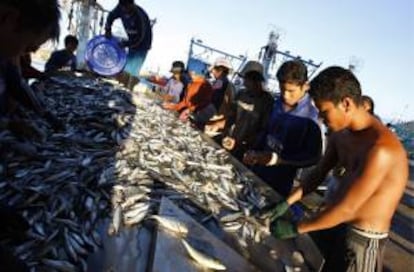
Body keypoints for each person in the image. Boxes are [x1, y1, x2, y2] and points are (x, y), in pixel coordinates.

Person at [264, 66, 408, 272]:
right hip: (328, 220)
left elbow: (349, 209)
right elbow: (318, 173)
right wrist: (287, 202)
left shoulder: (381, 149)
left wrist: (296, 227)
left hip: (360, 240)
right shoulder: (340, 134)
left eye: (324, 111)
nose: (321, 119)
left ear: (346, 103)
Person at [243, 60, 322, 197]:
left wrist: (279, 160)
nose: (285, 95)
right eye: (282, 89)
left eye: (291, 91)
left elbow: (313, 157)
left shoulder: (312, 117)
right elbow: (266, 131)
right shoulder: (277, 103)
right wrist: (253, 151)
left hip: (278, 185)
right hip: (255, 173)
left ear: (305, 86)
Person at [221, 61, 274, 160]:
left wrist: (241, 143)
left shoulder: (267, 101)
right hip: (231, 142)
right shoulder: (241, 94)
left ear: (256, 80)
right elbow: (231, 117)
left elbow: (263, 130)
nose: (244, 83)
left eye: (246, 79)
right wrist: (224, 131)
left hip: (248, 151)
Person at [105, 0, 153, 89]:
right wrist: (108, 29)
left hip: (143, 43)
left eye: (127, 8)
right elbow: (111, 16)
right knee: (126, 68)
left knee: (132, 70)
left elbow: (140, 38)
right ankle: (122, 86)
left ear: (132, 4)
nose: (125, 10)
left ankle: (128, 89)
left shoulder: (139, 16)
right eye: (123, 8)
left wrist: (125, 44)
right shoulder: (120, 8)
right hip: (132, 40)